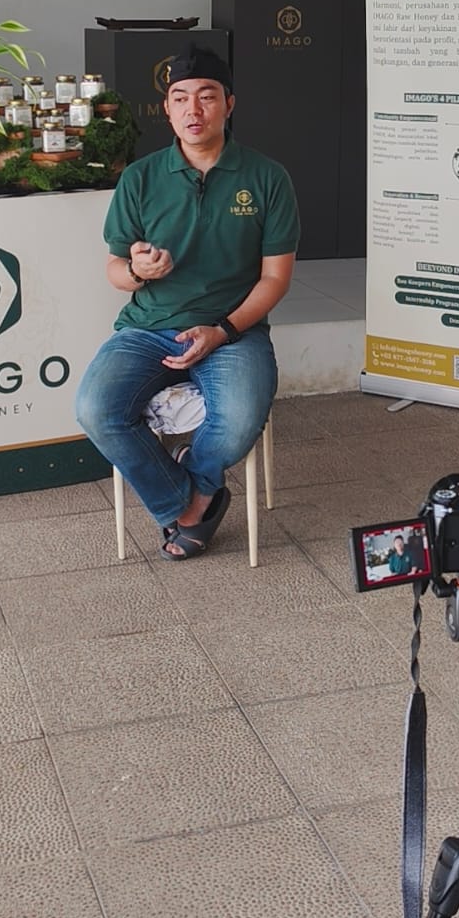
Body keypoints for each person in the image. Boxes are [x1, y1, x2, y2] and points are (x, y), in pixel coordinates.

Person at [75, 45, 300, 560]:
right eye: (180, 98)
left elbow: (275, 279)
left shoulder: (267, 178)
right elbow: (115, 271)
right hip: (147, 328)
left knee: (239, 421)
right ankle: (189, 503)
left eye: (206, 96)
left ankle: (193, 497)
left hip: (233, 331)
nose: (193, 110)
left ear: (229, 104)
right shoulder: (140, 178)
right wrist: (138, 271)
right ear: (168, 108)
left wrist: (222, 330)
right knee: (95, 409)